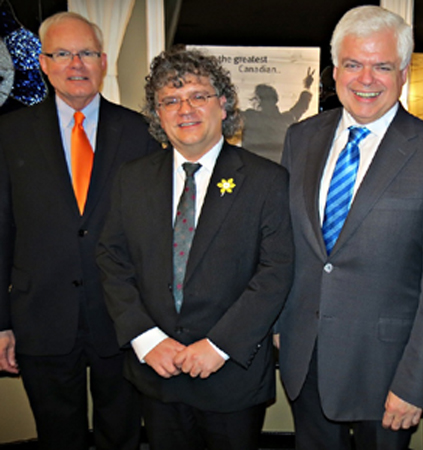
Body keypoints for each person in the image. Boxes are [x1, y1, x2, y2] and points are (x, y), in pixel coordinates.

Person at [275, 6, 423, 450]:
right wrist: (278, 322)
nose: (366, 79)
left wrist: (416, 383)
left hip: (387, 371)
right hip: (305, 356)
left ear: (403, 73)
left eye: (382, 66)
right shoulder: (301, 137)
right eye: (353, 64)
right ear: (334, 70)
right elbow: (288, 246)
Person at [96, 47, 294, 450]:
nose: (184, 109)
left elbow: (276, 271)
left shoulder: (265, 181)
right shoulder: (131, 179)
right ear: (157, 114)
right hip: (158, 370)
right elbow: (112, 260)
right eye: (170, 100)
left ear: (223, 105)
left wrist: (220, 345)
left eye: (198, 96)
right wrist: (146, 339)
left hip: (230, 375)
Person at [0, 11, 158, 450]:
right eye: (63, 54)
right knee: (57, 435)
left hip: (121, 317)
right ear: (45, 64)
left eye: (87, 53)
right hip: (41, 317)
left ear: (103, 61)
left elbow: (152, 235)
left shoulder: (140, 132)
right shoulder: (9, 134)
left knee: (122, 432)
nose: (77, 65)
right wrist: (0, 324)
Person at [241, 67, 314, 162]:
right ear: (276, 99)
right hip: (277, 171)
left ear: (258, 100)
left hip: (251, 170)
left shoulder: (249, 117)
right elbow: (301, 106)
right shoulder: (287, 119)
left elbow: (226, 115)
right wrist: (307, 87)